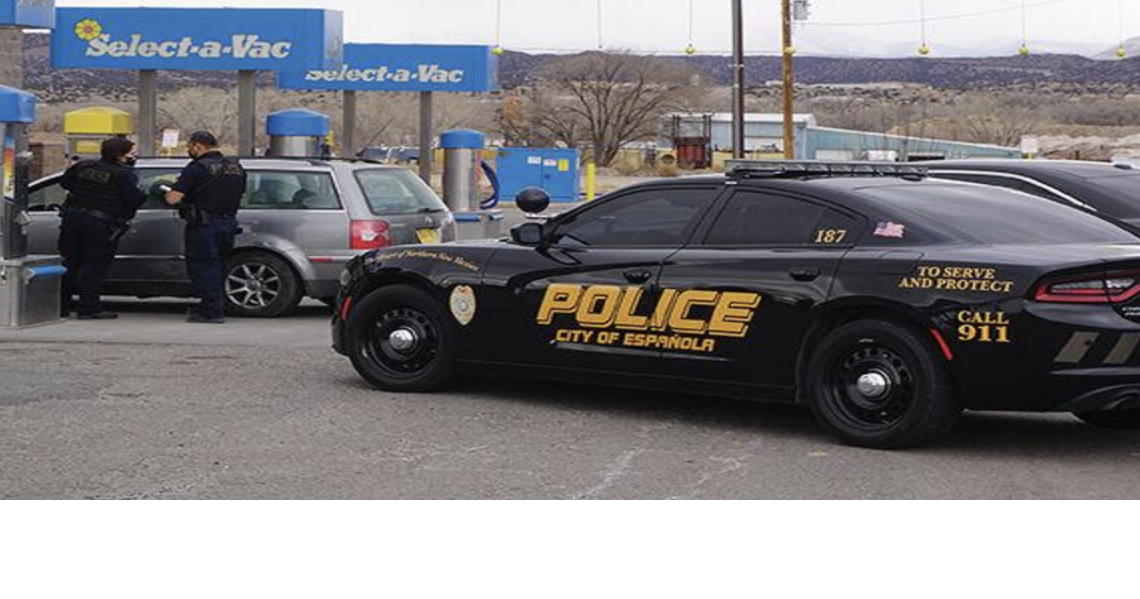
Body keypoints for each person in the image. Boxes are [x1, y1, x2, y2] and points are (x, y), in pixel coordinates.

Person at [58, 137, 146, 320]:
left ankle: (61, 306)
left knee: (71, 264)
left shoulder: (83, 167)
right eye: (131, 153)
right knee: (94, 266)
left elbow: (65, 183)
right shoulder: (123, 174)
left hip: (72, 221)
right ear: (120, 155)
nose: (134, 156)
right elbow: (134, 200)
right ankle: (89, 308)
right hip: (100, 225)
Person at [165, 132, 247, 324]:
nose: (188, 150)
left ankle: (211, 311)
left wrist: (166, 191)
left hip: (204, 225)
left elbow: (173, 198)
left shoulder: (197, 168)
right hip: (228, 223)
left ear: (198, 146)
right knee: (219, 265)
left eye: (189, 147)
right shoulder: (235, 167)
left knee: (202, 267)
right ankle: (214, 305)